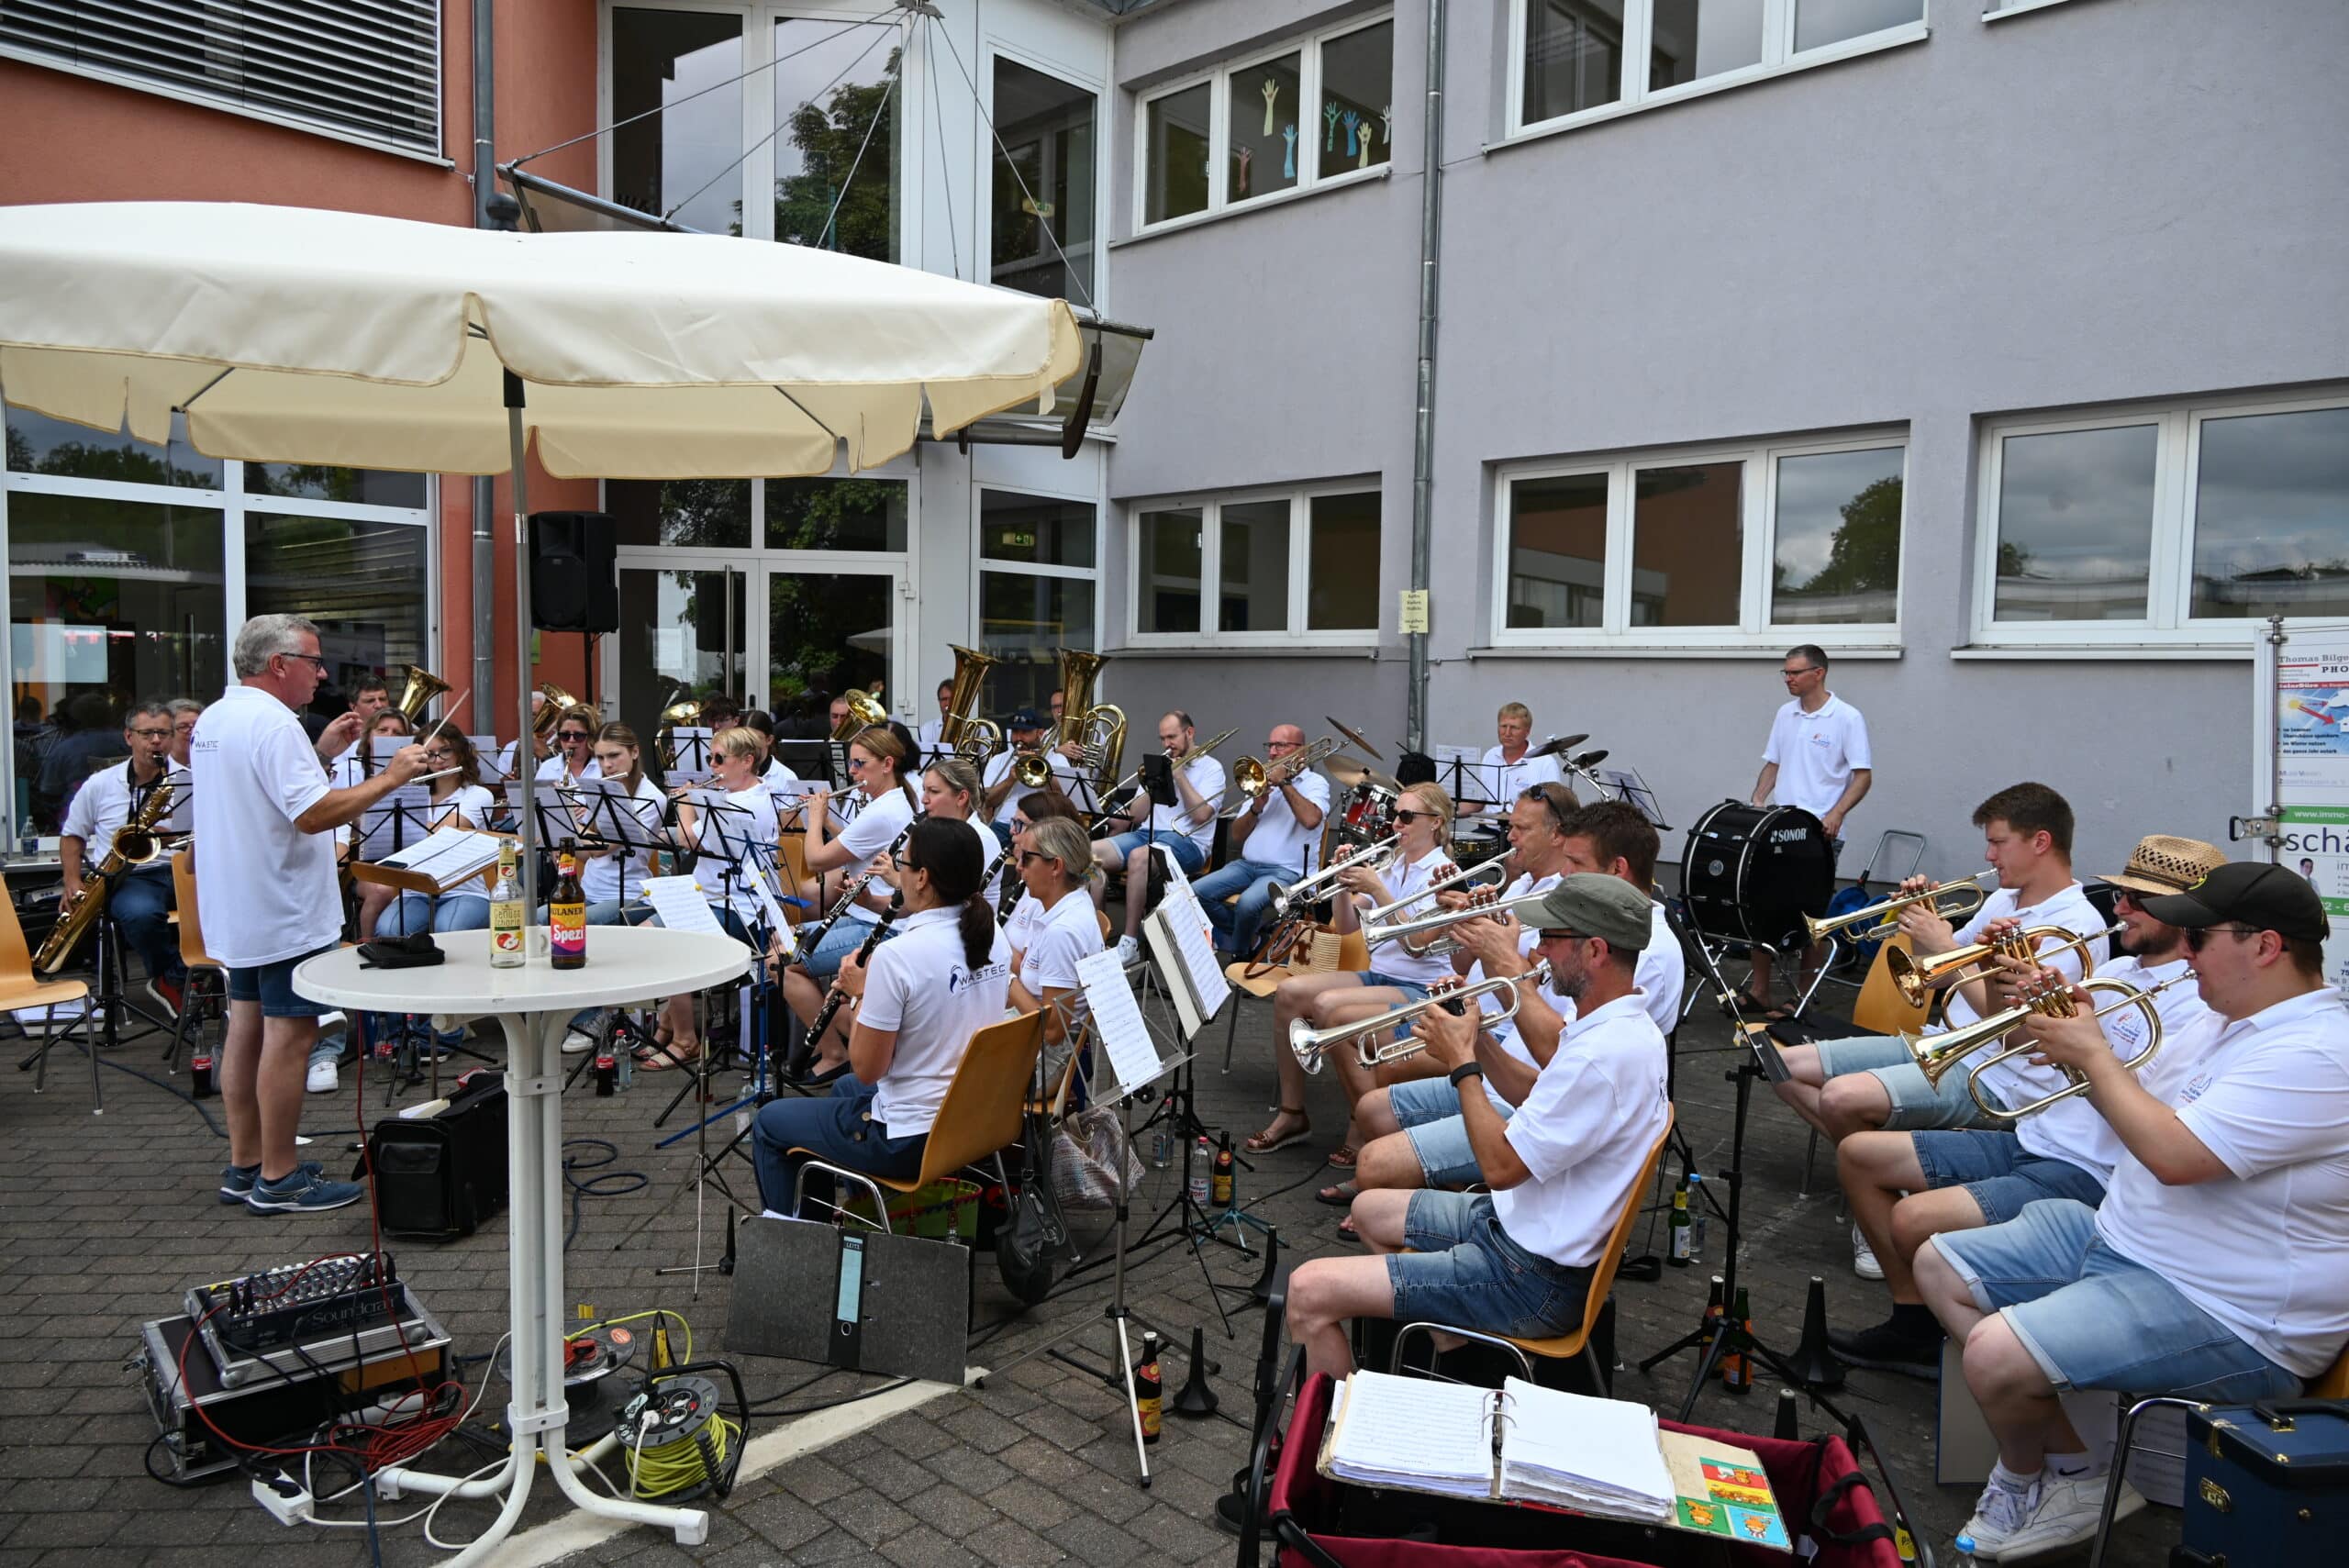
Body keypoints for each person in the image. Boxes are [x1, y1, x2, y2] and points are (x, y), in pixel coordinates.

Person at [1916, 862, 2349, 1561]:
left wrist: (2092, 1055)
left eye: (2199, 937)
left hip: (2226, 1306)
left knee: (1995, 1353)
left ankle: (2031, 1475)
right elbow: (2134, 1103)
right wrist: (2068, 1032)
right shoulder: (2227, 1019)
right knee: (1939, 1262)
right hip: (2131, 1244)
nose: (2186, 952)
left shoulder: (2318, 1053)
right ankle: (2078, 1470)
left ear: (2266, 946)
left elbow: (2175, 1155)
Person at [1829, 835, 2222, 1376]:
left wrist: (2088, 1047)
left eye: (2138, 900)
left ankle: (1966, 1342)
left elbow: (2151, 1108)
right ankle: (1915, 1321)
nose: (2120, 908)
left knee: (1913, 1218)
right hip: (2035, 1137)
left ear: (2183, 915)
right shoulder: (2121, 973)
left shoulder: (2195, 1004)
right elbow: (2016, 1042)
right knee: (1859, 1155)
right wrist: (2007, 980)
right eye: (2123, 895)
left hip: (2087, 1167)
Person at [1285, 874, 1671, 1377]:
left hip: (1530, 1277)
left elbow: (1499, 1167)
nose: (1539, 951)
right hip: (1519, 1228)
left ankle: (1339, 1426)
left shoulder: (1603, 1056)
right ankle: (1451, 1352)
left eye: (1551, 939)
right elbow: (1535, 1093)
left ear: (1595, 951)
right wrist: (1478, 1034)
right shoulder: (1618, 1027)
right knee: (1368, 1208)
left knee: (1307, 1290)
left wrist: (1462, 1062)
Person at [1772, 783, 2109, 1278]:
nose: (1989, 856)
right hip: (1946, 1045)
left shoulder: (2075, 926)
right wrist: (1922, 922)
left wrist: (1947, 945)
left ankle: (1878, 1211)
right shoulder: (2004, 899)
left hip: (2001, 1076)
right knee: (1782, 1065)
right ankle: (1887, 1182)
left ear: (2041, 841)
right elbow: (1935, 973)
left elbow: (2016, 1029)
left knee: (1843, 1098)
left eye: (1998, 843)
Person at [194, 615, 428, 1213]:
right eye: (314, 661)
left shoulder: (217, 716)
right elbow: (313, 815)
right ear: (279, 664)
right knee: (291, 1035)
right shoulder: (275, 723)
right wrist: (391, 776)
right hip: (282, 904)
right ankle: (281, 1176)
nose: (322, 674)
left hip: (240, 903)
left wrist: (322, 755)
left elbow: (266, 796)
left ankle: (246, 1164)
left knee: (245, 1028)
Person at [1344, 795, 1683, 1202]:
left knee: (1374, 1172)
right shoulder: (1590, 919)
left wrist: (1503, 961)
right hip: (1514, 1078)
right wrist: (1477, 992)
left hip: (1537, 1107)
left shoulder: (1645, 951)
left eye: (1576, 863)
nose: (1564, 874)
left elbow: (1562, 1055)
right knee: (1371, 1111)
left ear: (1617, 869)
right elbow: (1532, 996)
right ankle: (1447, 1186)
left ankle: (1449, 1194)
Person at [750, 818, 1009, 1217]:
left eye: (902, 865)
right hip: (972, 1116)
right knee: (844, 1090)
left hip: (912, 1138)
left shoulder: (898, 956)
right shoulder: (993, 933)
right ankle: (867, 1212)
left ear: (922, 878)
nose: (897, 873)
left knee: (770, 1122)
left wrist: (860, 994)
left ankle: (801, 1241)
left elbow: (870, 1067)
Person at [1249, 781, 1457, 1159]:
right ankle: (1292, 1113)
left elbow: (1417, 943)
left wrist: (1378, 889)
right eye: (1395, 815)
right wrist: (1341, 883)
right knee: (1290, 993)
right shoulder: (1393, 863)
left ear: (1435, 822)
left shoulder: (1444, 873)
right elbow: (1345, 926)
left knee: (1329, 1006)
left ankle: (1364, 1125)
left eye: (1406, 816)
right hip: (1380, 975)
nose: (1396, 824)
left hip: (1419, 985)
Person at [636, 726, 779, 1071]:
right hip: (710, 896)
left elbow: (689, 841)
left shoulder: (743, 804)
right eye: (709, 758)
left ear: (746, 761)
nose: (712, 766)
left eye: (719, 759)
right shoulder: (740, 793)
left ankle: (685, 1039)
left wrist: (686, 802)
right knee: (644, 930)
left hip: (742, 907)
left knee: (665, 942)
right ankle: (669, 1024)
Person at [784, 724, 919, 1084]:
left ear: (887, 764)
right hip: (868, 913)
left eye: (860, 764)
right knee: (781, 940)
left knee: (783, 965)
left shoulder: (881, 811)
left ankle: (833, 1052)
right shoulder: (895, 801)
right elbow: (856, 842)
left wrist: (814, 817)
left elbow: (816, 860)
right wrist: (828, 818)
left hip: (881, 925)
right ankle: (833, 1038)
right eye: (851, 764)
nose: (853, 772)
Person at [1746, 645, 1873, 1007]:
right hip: (1779, 826)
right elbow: (1773, 764)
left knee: (1810, 915)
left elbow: (1863, 776)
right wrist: (1758, 800)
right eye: (1785, 672)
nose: (1788, 679)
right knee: (1762, 905)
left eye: (1795, 672)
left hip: (1820, 833)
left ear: (1818, 673)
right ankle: (1759, 991)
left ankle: (1803, 995)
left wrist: (1837, 813)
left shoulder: (1847, 718)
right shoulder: (1785, 714)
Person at [58, 700, 190, 1015]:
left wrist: (172, 837)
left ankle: (198, 978)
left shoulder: (188, 781)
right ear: (129, 737)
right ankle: (172, 977)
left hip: (182, 869)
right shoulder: (101, 784)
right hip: (129, 876)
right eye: (147, 734)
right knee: (141, 915)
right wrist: (72, 881)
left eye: (163, 733)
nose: (156, 741)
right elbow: (73, 834)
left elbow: (207, 833)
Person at [1091, 711, 1226, 963]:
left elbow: (1201, 816)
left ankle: (1130, 941)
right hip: (1147, 834)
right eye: (1162, 738)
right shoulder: (1158, 765)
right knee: (1090, 855)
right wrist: (1153, 783)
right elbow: (1137, 815)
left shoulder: (1212, 768)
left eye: (1171, 737)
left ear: (1189, 733)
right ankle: (1096, 935)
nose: (1166, 744)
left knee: (1139, 857)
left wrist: (1179, 776)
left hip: (1188, 841)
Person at [1198, 724, 1331, 961]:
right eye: (1270, 746)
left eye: (1280, 745)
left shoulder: (1315, 783)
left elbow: (1311, 820)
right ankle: (1252, 938)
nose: (1271, 752)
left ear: (1301, 751)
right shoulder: (1261, 781)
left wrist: (1284, 784)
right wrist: (1256, 808)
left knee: (1247, 904)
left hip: (1286, 871)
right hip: (1246, 866)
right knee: (1196, 893)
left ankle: (1239, 957)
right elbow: (1237, 836)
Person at [365, 729, 498, 940]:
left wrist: (403, 818)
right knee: (389, 930)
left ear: (460, 752)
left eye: (445, 751)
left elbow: (442, 834)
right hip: (415, 890)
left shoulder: (478, 794)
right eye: (430, 754)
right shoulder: (411, 794)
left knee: (449, 930)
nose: (438, 760)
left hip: (464, 890)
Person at [1006, 816, 1104, 1052]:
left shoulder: (1061, 932)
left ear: (1056, 866)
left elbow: (1052, 1032)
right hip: (1029, 1037)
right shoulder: (1068, 901)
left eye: (1027, 858)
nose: (1018, 866)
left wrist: (1005, 978)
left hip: (1041, 1057)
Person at [920, 758, 1005, 910]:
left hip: (964, 923)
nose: (924, 799)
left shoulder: (981, 838)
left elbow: (948, 900)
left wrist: (900, 881)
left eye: (934, 791)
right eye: (924, 790)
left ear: (961, 797)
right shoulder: (937, 831)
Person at [980, 708, 1073, 844]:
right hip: (1003, 825)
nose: (1018, 738)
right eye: (1015, 732)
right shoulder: (998, 760)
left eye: (1025, 732)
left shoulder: (1057, 759)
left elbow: (1067, 797)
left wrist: (1042, 770)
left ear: (1040, 733)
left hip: (1040, 825)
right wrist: (1009, 781)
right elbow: (986, 801)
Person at [1458, 702, 1565, 817]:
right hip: (1489, 826)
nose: (1507, 733)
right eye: (1503, 726)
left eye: (1514, 728)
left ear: (1527, 732)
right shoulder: (1490, 756)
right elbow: (1478, 802)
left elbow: (1551, 807)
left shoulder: (1544, 762)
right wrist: (1448, 811)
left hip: (1525, 826)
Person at [539, 706, 603, 785]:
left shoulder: (603, 766)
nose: (571, 740)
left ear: (591, 737)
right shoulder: (547, 767)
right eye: (565, 735)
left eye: (578, 735)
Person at [916, 679, 953, 762]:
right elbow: (922, 760)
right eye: (944, 699)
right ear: (939, 701)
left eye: (951, 699)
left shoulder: (975, 730)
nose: (948, 704)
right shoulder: (927, 729)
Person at [166, 698, 204, 770]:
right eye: (183, 726)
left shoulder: (211, 764)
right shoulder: (158, 768)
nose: (192, 732)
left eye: (197, 725)